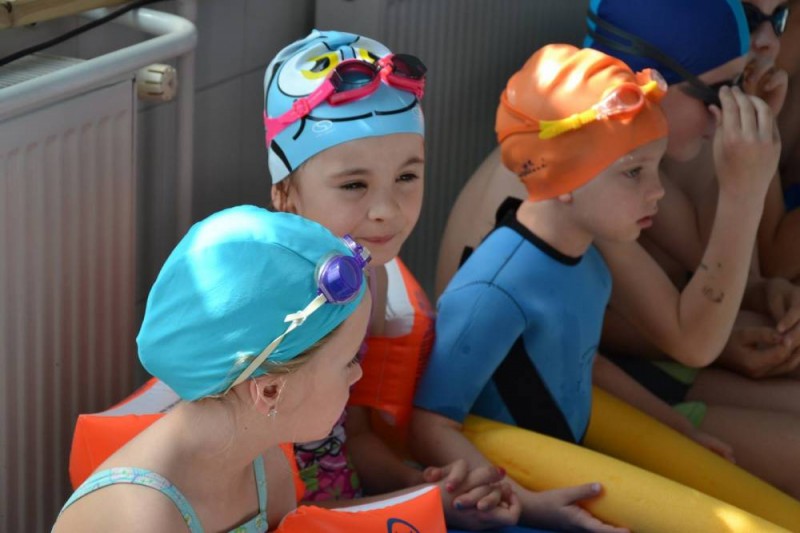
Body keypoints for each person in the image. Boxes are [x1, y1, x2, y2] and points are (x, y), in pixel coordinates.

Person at [263, 30, 521, 530]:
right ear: (285, 192)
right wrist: (415, 506)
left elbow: (351, 438)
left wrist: (425, 487)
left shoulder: (368, 277)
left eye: (406, 177)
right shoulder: (276, 314)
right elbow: (268, 515)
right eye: (354, 184)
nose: (386, 210)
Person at [412, 43, 671, 532]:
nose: (657, 190)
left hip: (562, 473)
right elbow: (428, 425)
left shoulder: (589, 262)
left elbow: (583, 362)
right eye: (634, 172)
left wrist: (680, 435)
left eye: (658, 168)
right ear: (562, 175)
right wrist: (529, 504)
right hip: (510, 508)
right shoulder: (494, 290)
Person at [581, 0, 800, 496]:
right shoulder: (586, 172)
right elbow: (695, 341)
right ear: (650, 84)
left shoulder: (637, 152)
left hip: (623, 373)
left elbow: (719, 271)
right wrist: (746, 190)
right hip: (592, 406)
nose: (723, 114)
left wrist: (763, 293)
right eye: (719, 93)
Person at [52, 206, 373, 531]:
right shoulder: (143, 519)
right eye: (348, 360)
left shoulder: (265, 471)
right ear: (270, 390)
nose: (358, 374)